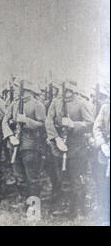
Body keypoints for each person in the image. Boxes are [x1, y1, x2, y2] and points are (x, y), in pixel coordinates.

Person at [45, 80, 94, 218]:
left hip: (77, 148)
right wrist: (56, 139)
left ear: (73, 90)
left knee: (76, 179)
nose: (66, 93)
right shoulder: (56, 102)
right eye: (64, 90)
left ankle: (77, 209)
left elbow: (90, 123)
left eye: (68, 90)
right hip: (59, 146)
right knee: (62, 178)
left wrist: (73, 124)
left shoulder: (81, 103)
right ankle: (66, 206)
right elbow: (49, 121)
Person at [2, 79, 46, 211]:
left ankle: (33, 208)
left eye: (17, 88)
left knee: (32, 178)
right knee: (19, 176)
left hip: (31, 146)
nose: (15, 90)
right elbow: (4, 121)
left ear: (26, 90)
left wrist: (26, 121)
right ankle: (23, 201)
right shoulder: (14, 104)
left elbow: (43, 125)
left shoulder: (37, 105)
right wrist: (10, 136)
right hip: (14, 144)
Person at [91, 83, 110, 224]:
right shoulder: (105, 108)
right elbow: (96, 128)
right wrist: (102, 144)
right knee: (104, 186)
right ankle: (104, 217)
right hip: (106, 152)